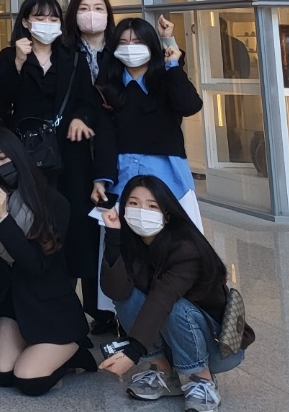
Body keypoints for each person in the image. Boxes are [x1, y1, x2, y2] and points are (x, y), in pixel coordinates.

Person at [0, 126, 94, 397]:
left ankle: (76, 351)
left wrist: (3, 219)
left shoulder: (54, 203)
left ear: (17, 155)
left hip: (51, 309)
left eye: (2, 158)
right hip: (14, 305)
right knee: (0, 373)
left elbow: (35, 264)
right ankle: (36, 350)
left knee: (29, 380)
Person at [99, 175, 252, 411]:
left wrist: (133, 352)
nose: (142, 211)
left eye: (152, 206)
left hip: (216, 346)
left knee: (176, 305)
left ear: (167, 214)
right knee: (126, 295)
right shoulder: (133, 243)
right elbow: (116, 290)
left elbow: (163, 298)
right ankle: (164, 372)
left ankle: (201, 379)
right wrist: (113, 238)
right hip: (171, 340)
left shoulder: (185, 248)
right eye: (134, 203)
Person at [92, 16, 205, 225]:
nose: (130, 48)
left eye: (137, 42)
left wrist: (172, 62)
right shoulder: (108, 86)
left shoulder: (166, 78)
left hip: (167, 171)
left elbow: (190, 105)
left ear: (151, 45)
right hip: (122, 173)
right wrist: (101, 178)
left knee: (173, 235)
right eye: (123, 42)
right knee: (120, 235)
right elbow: (105, 137)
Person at [0, 0, 96, 187]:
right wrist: (18, 62)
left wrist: (80, 118)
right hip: (27, 145)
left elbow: (87, 99)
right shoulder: (9, 56)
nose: (47, 24)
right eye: (40, 19)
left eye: (53, 19)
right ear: (26, 22)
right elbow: (0, 99)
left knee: (72, 198)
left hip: (68, 144)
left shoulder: (74, 58)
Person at [62, 0, 119, 334]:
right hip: (76, 150)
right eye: (84, 8)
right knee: (82, 228)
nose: (92, 14)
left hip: (116, 149)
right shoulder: (65, 51)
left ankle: (114, 307)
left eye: (99, 7)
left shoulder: (120, 48)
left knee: (113, 227)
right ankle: (90, 308)